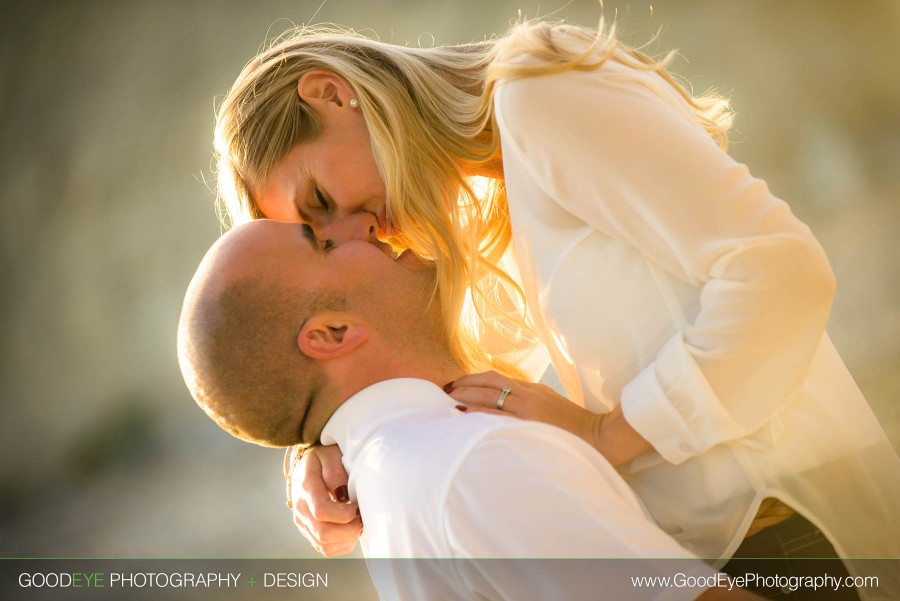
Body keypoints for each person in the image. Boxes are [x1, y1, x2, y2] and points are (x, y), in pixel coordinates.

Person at [212, 15, 900, 600]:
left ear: (332, 93)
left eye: (321, 205)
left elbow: (780, 271)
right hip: (697, 555)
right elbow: (425, 386)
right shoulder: (464, 216)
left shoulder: (539, 97)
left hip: (786, 536)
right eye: (328, 238)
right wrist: (323, 446)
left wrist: (609, 433)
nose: (357, 232)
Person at [177, 218, 765, 601]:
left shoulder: (393, 476)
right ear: (332, 333)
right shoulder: (477, 464)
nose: (362, 227)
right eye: (326, 243)